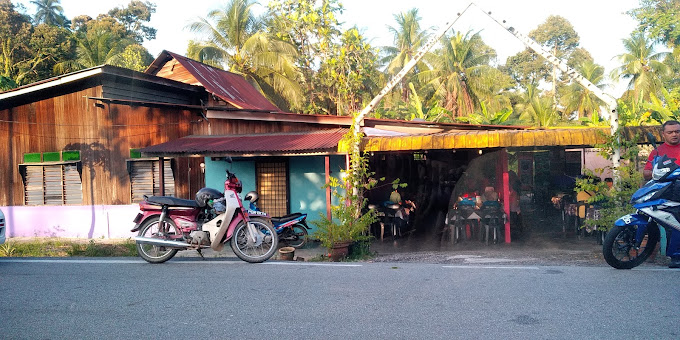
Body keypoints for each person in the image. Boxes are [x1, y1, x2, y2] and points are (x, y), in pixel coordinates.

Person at [643, 120, 680, 268]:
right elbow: (646, 173)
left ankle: (676, 255)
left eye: (677, 131)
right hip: (664, 193)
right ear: (663, 134)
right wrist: (655, 173)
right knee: (671, 222)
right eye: (670, 132)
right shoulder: (657, 152)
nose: (674, 134)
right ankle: (674, 254)